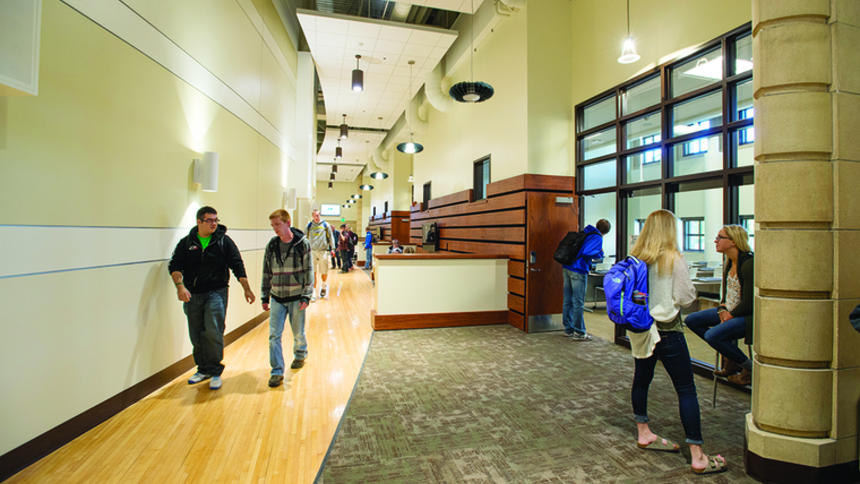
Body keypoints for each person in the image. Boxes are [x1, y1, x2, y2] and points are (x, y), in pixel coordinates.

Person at [627, 209, 726, 475]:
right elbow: (685, 298)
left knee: (641, 379)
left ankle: (644, 431)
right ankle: (697, 455)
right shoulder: (674, 259)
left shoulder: (636, 259)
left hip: (641, 329)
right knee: (685, 389)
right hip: (668, 329)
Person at [168, 206, 255, 391]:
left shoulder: (224, 241)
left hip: (217, 292)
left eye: (216, 220)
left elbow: (237, 265)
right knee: (196, 333)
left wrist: (246, 289)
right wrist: (180, 287)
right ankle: (203, 369)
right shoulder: (187, 243)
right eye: (209, 220)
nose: (214, 224)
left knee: (214, 331)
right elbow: (175, 265)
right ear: (199, 222)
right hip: (193, 294)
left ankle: (215, 371)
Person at [684, 225, 755, 385]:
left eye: (720, 237)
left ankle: (748, 367)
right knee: (692, 320)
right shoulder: (729, 262)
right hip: (727, 310)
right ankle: (731, 356)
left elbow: (750, 302)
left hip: (744, 316)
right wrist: (723, 309)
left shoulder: (748, 263)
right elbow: (727, 294)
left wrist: (730, 314)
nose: (715, 241)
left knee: (712, 335)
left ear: (733, 241)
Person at [261, 209, 313, 388]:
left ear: (287, 222)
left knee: (298, 332)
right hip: (277, 297)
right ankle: (276, 371)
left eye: (277, 224)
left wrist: (307, 295)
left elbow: (308, 271)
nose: (275, 229)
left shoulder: (302, 244)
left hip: (297, 297)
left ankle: (300, 353)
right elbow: (266, 271)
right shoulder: (272, 245)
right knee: (274, 335)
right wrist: (264, 295)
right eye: (273, 225)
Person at [561, 218, 611, 340]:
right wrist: (600, 253)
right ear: (606, 231)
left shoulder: (586, 232)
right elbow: (588, 252)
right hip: (578, 270)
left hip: (568, 266)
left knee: (568, 300)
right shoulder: (597, 237)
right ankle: (579, 332)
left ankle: (568, 329)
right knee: (578, 302)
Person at [307, 209, 335, 300]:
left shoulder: (325, 225)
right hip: (313, 251)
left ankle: (323, 285)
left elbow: (331, 237)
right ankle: (314, 292)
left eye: (318, 215)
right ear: (312, 216)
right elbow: (304, 236)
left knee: (324, 271)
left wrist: (333, 248)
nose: (316, 217)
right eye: (315, 215)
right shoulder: (309, 225)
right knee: (313, 272)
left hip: (323, 251)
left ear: (320, 215)